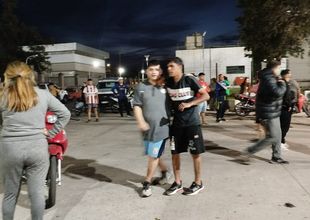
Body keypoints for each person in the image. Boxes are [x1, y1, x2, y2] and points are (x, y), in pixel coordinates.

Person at [0, 61, 71, 220]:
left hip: (10, 149)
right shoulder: (42, 94)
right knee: (37, 194)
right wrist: (51, 133)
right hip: (37, 147)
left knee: (10, 194)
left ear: (8, 77)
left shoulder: (2, 95)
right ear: (30, 76)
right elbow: (65, 114)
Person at [165, 57, 209, 196]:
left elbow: (205, 96)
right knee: (175, 153)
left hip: (192, 123)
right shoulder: (168, 83)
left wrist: (190, 104)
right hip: (176, 124)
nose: (169, 69)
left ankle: (198, 182)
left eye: (171, 66)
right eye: (168, 67)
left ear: (180, 67)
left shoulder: (189, 79)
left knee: (195, 153)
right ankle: (177, 182)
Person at [133, 60, 171, 197]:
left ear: (160, 71)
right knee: (153, 154)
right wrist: (141, 121)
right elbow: (137, 105)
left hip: (162, 128)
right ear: (146, 71)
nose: (154, 72)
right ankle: (165, 172)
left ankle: (147, 183)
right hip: (146, 129)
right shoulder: (140, 87)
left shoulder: (166, 86)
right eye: (151, 69)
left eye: (156, 69)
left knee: (153, 155)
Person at [243, 60, 288, 164]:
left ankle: (276, 157)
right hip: (268, 112)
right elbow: (277, 92)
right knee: (272, 136)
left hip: (273, 110)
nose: (279, 70)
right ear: (274, 68)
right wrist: (283, 84)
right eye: (278, 68)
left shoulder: (271, 77)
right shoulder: (269, 78)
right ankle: (249, 151)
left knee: (278, 135)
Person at [280, 69, 296, 150]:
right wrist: (288, 105)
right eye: (289, 73)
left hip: (287, 106)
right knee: (284, 126)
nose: (291, 74)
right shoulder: (283, 83)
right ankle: (280, 142)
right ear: (286, 74)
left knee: (286, 126)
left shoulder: (287, 83)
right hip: (284, 107)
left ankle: (282, 141)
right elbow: (285, 96)